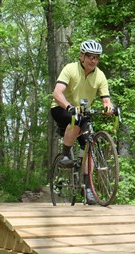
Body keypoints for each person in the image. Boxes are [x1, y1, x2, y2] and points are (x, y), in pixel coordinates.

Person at [50, 39, 115, 203]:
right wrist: (69, 106)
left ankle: (88, 188)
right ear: (82, 56)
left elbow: (106, 100)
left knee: (89, 144)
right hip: (61, 108)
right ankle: (65, 156)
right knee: (76, 119)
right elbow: (57, 93)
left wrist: (108, 108)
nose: (93, 60)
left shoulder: (100, 75)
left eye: (96, 57)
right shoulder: (70, 69)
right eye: (90, 56)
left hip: (83, 112)